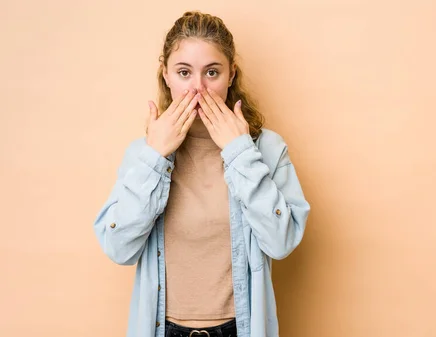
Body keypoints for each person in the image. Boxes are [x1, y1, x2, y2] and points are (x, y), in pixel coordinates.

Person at [93, 10, 310, 337]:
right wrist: (155, 156)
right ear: (165, 75)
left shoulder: (265, 149)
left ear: (231, 74)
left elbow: (281, 242)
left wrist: (239, 153)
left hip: (240, 329)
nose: (198, 88)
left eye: (212, 72)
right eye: (184, 72)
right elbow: (118, 247)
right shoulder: (144, 152)